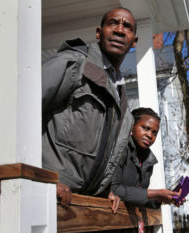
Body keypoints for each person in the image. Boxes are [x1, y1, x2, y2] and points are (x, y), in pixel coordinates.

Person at [42, 7, 138, 213]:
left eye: (127, 27)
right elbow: (17, 111)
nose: (119, 30)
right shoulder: (73, 63)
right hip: (45, 199)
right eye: (113, 23)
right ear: (98, 33)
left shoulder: (122, 100)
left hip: (80, 206)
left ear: (134, 41)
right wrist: (42, 181)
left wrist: (106, 190)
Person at [111, 108, 183, 208]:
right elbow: (114, 189)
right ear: (131, 126)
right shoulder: (119, 149)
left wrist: (162, 199)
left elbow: (137, 197)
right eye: (145, 128)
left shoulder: (148, 160)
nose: (150, 135)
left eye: (154, 133)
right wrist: (156, 193)